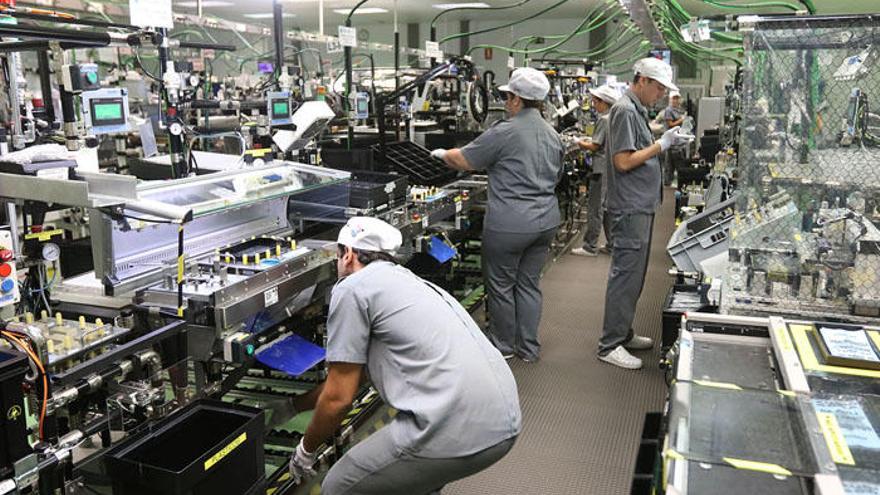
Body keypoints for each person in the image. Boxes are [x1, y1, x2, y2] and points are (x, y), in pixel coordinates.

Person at [288, 217, 521, 495]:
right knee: (415, 482)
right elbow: (353, 377)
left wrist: (306, 449)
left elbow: (339, 397)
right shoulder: (406, 280)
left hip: (457, 426)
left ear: (347, 255)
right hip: (503, 417)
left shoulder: (352, 288)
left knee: (338, 486)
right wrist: (293, 407)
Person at [430, 67, 564, 363]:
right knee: (529, 284)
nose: (505, 102)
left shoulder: (506, 131)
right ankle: (529, 348)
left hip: (511, 224)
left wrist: (440, 153)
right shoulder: (552, 134)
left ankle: (503, 344)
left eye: (507, 97)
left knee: (501, 285)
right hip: (546, 221)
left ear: (517, 99)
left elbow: (464, 159)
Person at [597, 58, 693, 370]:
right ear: (641, 81)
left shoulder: (635, 110)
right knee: (625, 276)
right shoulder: (624, 110)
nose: (662, 96)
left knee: (634, 276)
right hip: (629, 206)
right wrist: (661, 146)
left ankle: (622, 332)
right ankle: (609, 344)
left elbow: (637, 143)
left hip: (640, 204)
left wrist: (664, 136)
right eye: (659, 89)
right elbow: (623, 161)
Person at [572, 85, 619, 257]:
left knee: (595, 208)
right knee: (606, 209)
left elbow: (595, 145)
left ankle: (590, 246)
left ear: (604, 102)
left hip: (601, 169)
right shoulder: (613, 118)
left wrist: (578, 141)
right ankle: (612, 244)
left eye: (595, 101)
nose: (593, 104)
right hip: (610, 169)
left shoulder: (604, 120)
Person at [663, 91, 688, 186]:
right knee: (670, 166)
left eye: (677, 98)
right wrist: (681, 120)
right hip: (672, 142)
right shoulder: (669, 110)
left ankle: (673, 184)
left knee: (673, 165)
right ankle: (667, 186)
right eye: (674, 98)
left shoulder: (678, 110)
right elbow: (670, 124)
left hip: (677, 142)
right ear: (670, 99)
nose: (676, 100)